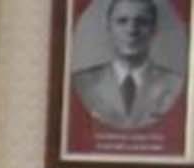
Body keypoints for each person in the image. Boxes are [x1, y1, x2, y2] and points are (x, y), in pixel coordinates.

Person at [71, 0, 187, 129]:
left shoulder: (175, 84)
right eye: (122, 21)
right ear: (109, 28)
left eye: (142, 22)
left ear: (154, 29)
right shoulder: (83, 84)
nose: (132, 30)